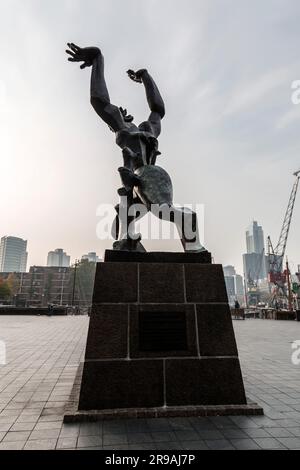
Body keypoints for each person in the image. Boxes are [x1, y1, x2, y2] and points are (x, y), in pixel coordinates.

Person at [66, 43, 206, 253]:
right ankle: (132, 241)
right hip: (140, 178)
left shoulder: (125, 128)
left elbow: (99, 100)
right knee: (123, 221)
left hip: (146, 175)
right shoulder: (147, 129)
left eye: (117, 113)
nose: (116, 113)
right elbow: (158, 110)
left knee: (161, 211)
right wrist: (145, 77)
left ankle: (188, 226)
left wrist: (97, 59)